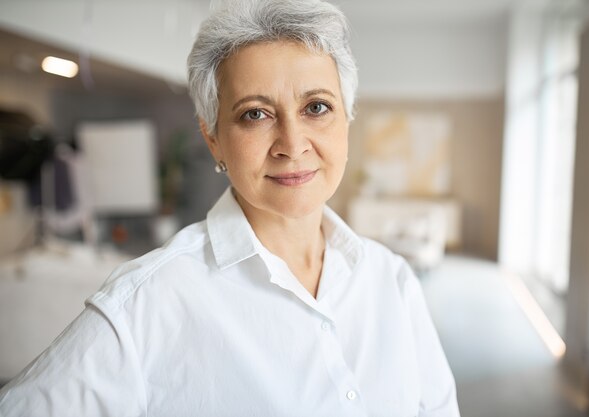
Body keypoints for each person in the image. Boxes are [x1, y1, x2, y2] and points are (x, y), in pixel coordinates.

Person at [0, 0, 460, 415]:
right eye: (255, 114)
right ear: (213, 137)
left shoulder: (391, 281)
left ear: (347, 120)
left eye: (317, 107)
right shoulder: (147, 303)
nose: (292, 144)